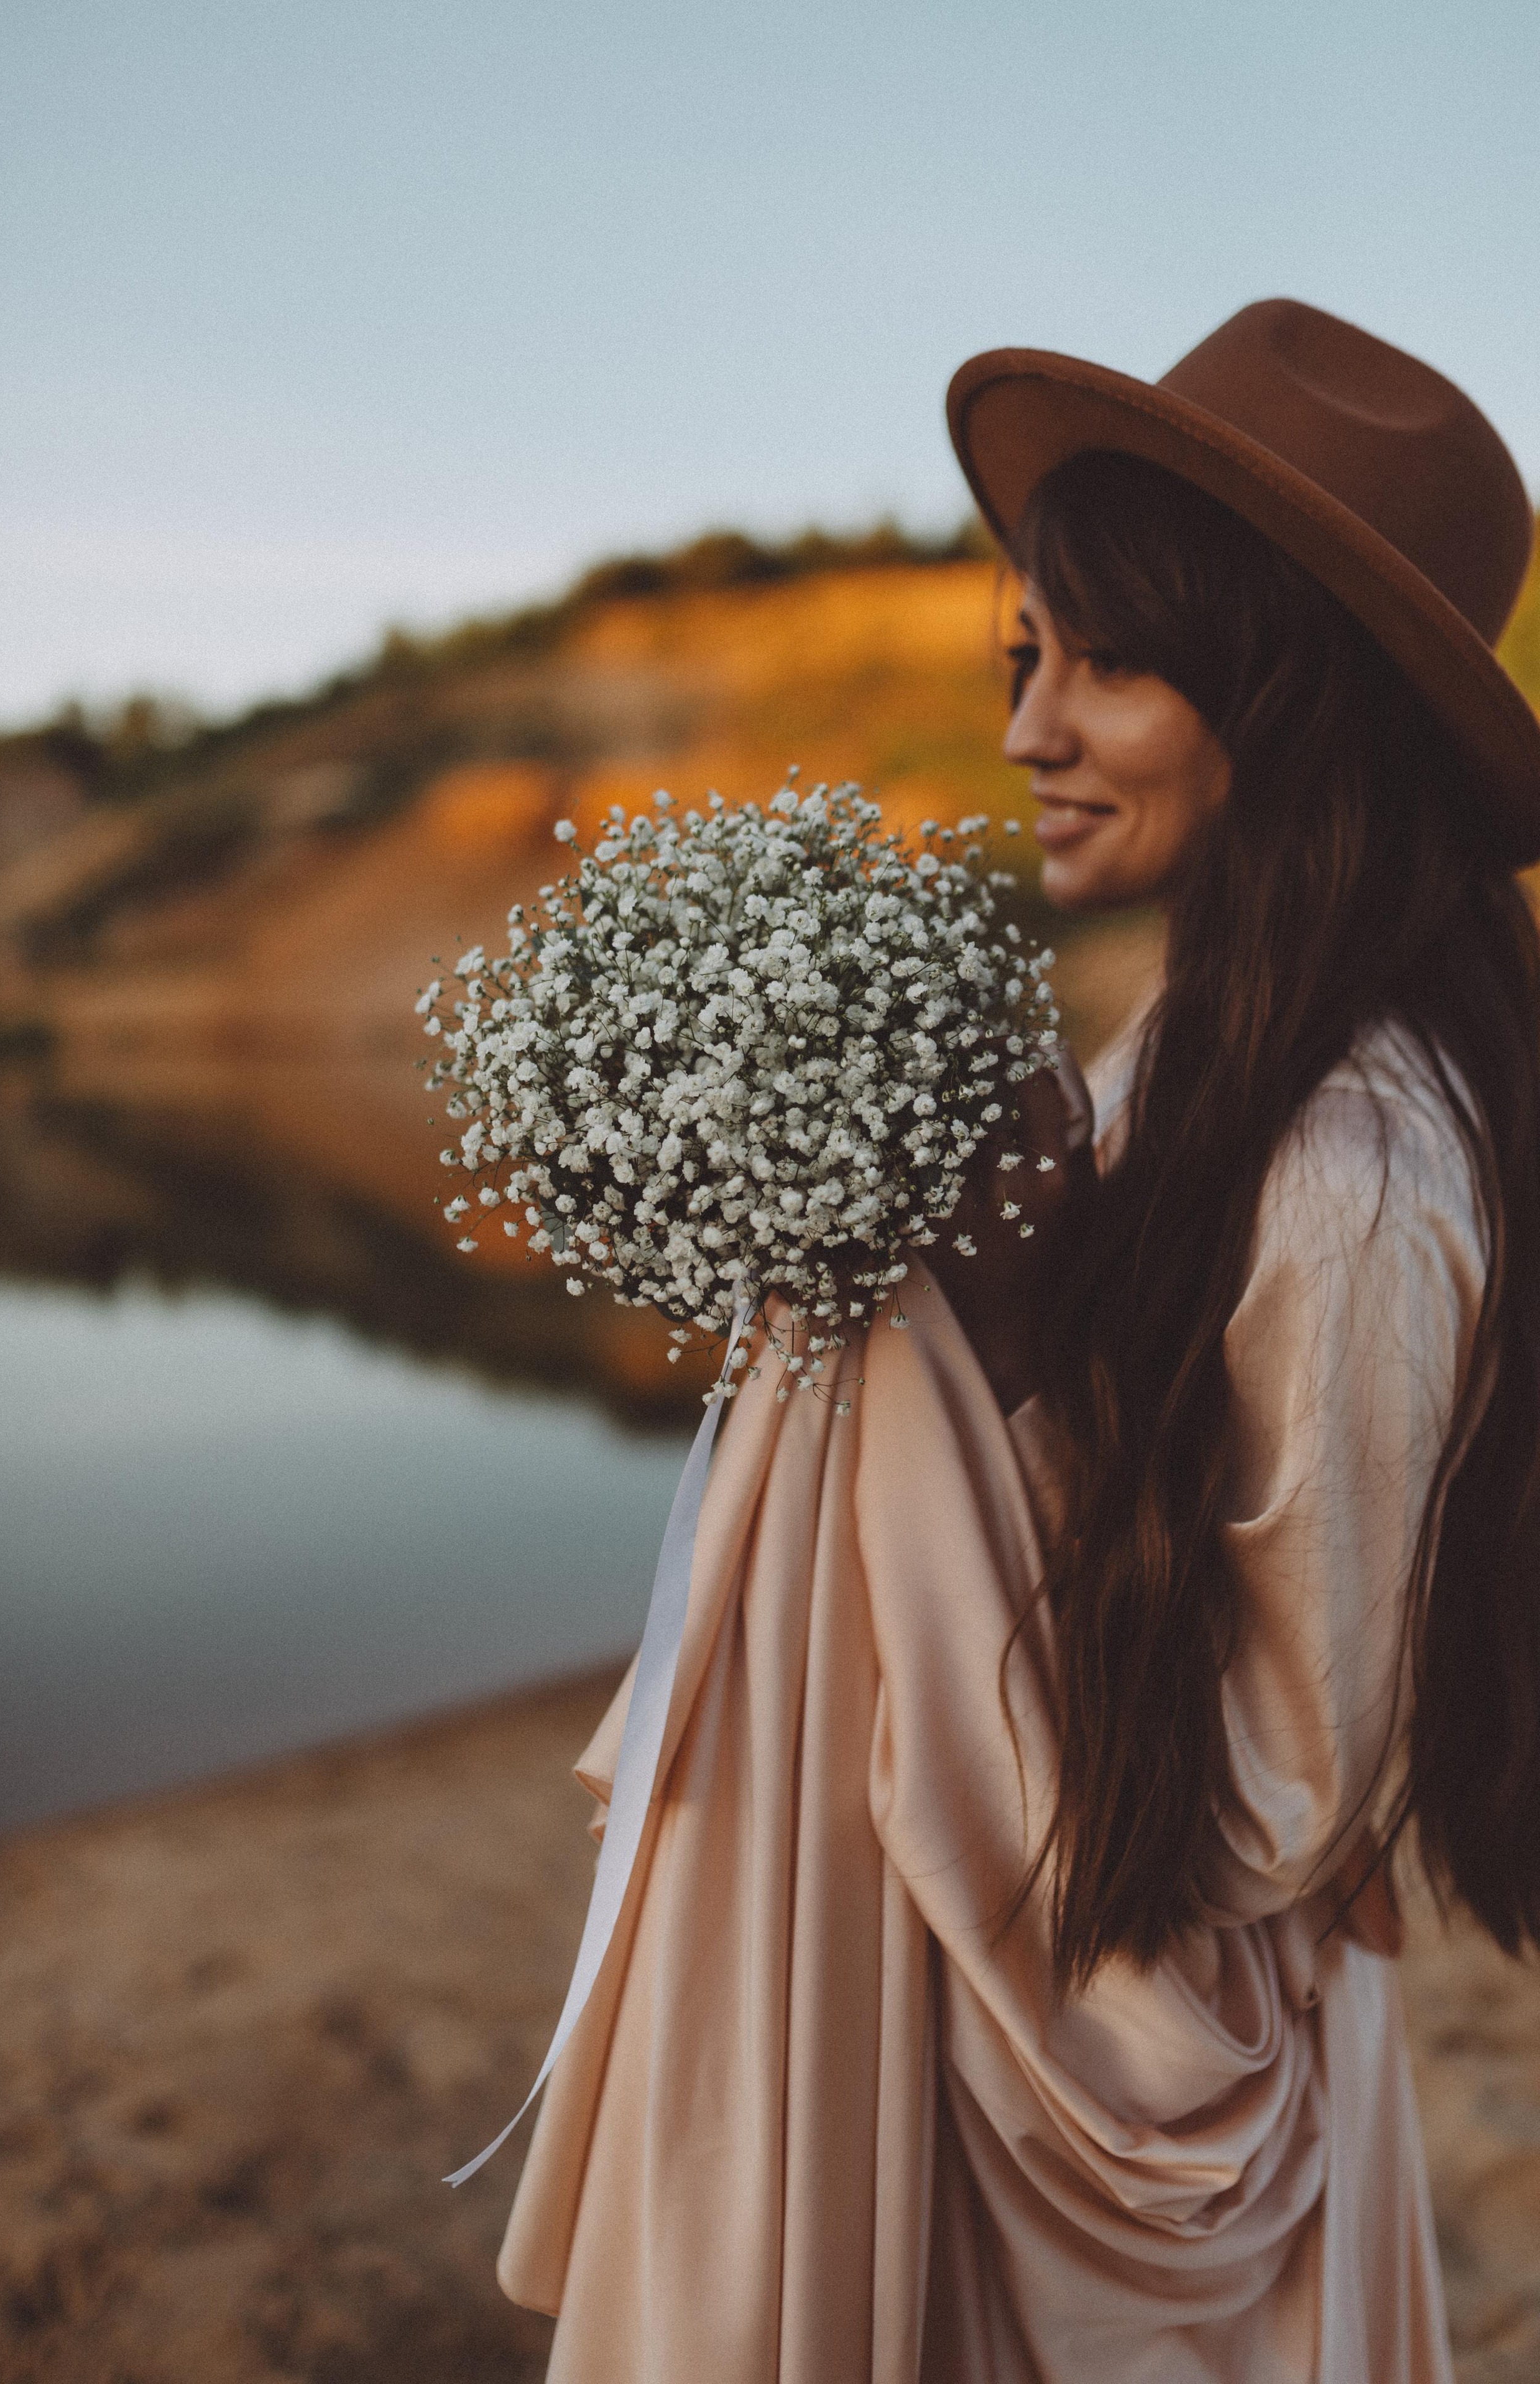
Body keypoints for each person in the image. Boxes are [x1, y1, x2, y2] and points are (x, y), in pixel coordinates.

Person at [495, 300, 1540, 2379]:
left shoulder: (1351, 1168)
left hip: (1135, 2115)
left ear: (1293, 699)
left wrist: (965, 1417)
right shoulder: (1191, 1052)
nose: (1031, 730)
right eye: (1022, 663)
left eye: (1112, 664)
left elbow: (1281, 1818)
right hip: (1029, 2010)